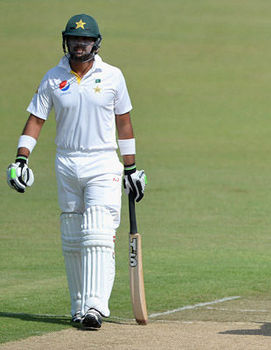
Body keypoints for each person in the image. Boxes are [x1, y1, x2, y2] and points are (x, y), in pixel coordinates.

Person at [6, 14, 147, 329]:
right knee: (72, 237)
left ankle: (95, 308)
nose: (78, 44)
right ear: (65, 41)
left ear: (96, 43)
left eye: (84, 40)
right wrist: (21, 158)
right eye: (73, 39)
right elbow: (36, 119)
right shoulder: (53, 78)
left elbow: (124, 123)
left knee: (97, 233)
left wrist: (131, 169)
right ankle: (78, 306)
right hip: (66, 162)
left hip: (102, 161)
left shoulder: (113, 76)